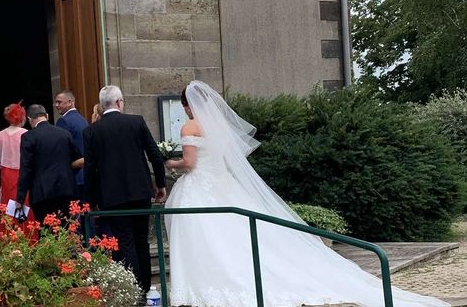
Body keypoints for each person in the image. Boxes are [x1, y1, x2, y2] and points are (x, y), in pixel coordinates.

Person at [164, 80, 449, 307]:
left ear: (188, 105)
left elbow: (189, 163)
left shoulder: (190, 126)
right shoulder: (219, 126)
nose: (187, 111)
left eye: (185, 106)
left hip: (201, 186)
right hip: (224, 185)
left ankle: (203, 284)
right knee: (231, 236)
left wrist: (170, 162)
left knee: (206, 236)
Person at [83, 85, 167, 294]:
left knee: (125, 241)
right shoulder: (136, 122)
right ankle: (145, 288)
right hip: (139, 191)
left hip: (111, 195)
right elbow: (154, 155)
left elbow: (90, 168)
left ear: (102, 106)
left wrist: (90, 199)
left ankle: (133, 289)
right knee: (142, 240)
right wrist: (160, 184)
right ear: (120, 102)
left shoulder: (91, 131)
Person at [16, 104, 83, 222]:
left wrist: (20, 198)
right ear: (46, 116)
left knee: (47, 232)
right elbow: (77, 159)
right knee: (66, 228)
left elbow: (26, 168)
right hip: (66, 189)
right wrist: (68, 173)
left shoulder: (28, 137)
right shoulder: (64, 133)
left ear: (29, 119)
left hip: (42, 192)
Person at [0, 102, 36, 231]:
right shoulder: (26, 134)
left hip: (7, 174)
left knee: (8, 204)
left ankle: (9, 234)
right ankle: (26, 233)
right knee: (24, 203)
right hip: (23, 172)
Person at [54, 90, 89, 199]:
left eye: (59, 102)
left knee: (73, 213)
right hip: (85, 174)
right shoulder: (83, 119)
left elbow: (61, 149)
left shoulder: (63, 121)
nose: (56, 105)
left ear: (69, 102)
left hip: (73, 175)